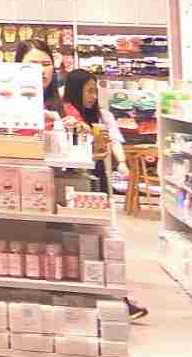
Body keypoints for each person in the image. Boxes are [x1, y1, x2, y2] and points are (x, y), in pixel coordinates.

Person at [60, 69, 151, 322]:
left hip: (95, 179)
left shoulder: (101, 116)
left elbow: (114, 142)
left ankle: (115, 298)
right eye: (88, 91)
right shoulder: (64, 113)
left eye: (94, 91)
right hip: (72, 180)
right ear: (75, 90)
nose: (92, 96)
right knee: (80, 238)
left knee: (101, 236)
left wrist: (121, 163)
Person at [15, 38, 62, 113]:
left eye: (46, 64)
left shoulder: (67, 108)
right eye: (33, 64)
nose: (41, 70)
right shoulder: (4, 106)